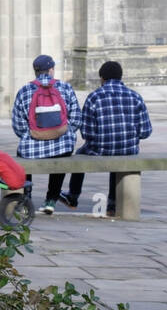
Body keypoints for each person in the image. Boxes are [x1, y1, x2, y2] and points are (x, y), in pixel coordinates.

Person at [58, 60, 152, 217]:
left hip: (100, 148)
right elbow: (146, 131)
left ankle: (73, 196)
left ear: (102, 78)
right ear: (121, 77)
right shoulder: (136, 97)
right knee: (119, 155)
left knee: (81, 153)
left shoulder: (94, 97)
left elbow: (87, 133)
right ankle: (113, 204)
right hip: (128, 149)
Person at [11, 55, 81, 214]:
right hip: (62, 145)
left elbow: (18, 126)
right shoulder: (65, 87)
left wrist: (30, 136)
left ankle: (25, 197)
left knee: (21, 153)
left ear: (35, 71)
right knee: (62, 152)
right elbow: (76, 119)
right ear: (51, 70)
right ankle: (51, 199)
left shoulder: (24, 91)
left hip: (32, 149)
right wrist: (64, 133)